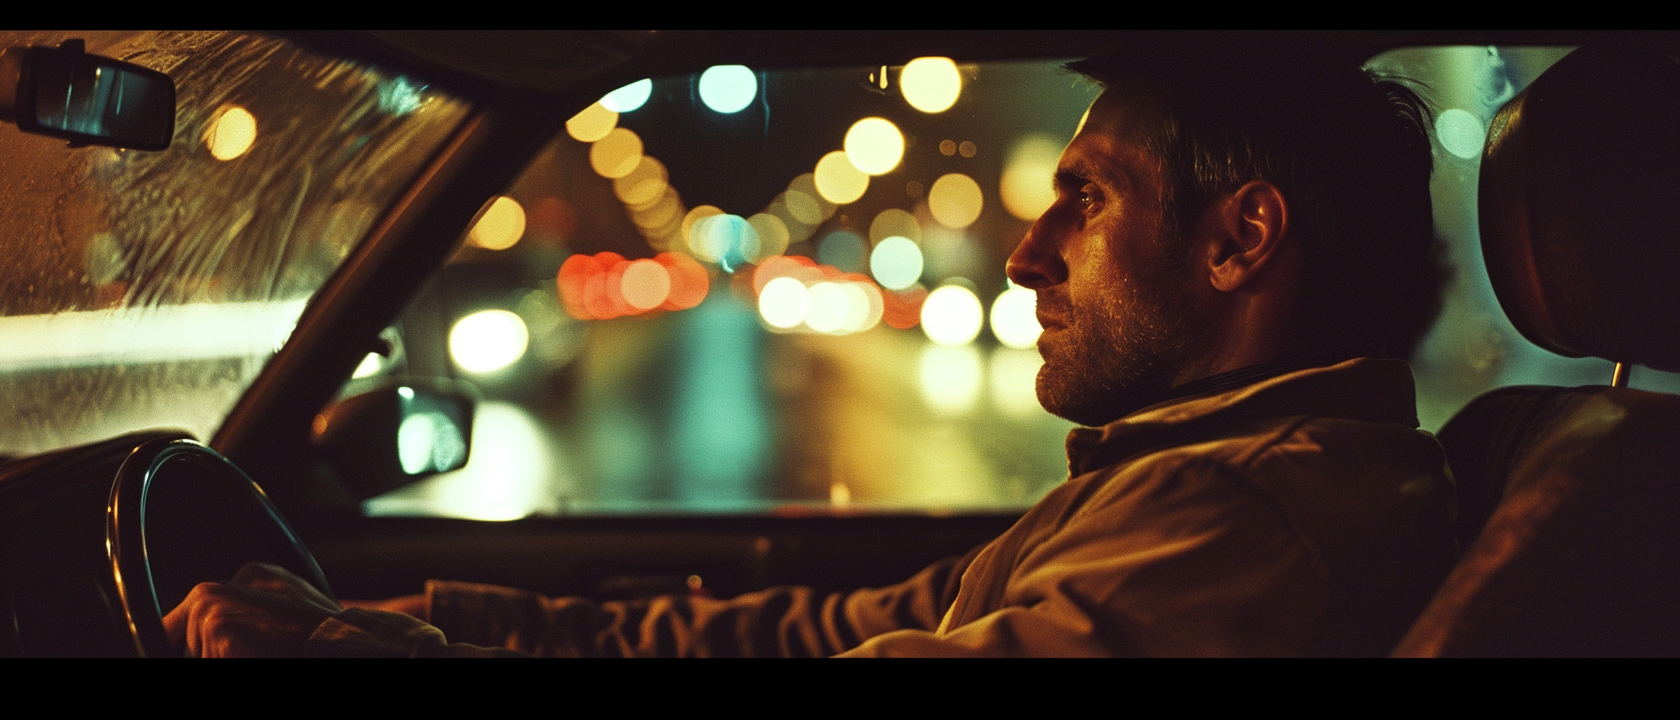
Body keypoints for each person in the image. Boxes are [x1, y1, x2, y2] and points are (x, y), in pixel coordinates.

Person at [165, 49, 1457, 657]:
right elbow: (836, 626)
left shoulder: (1238, 517)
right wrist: (450, 620)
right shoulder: (1187, 480)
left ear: (1243, 240)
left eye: (1089, 200)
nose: (1026, 255)